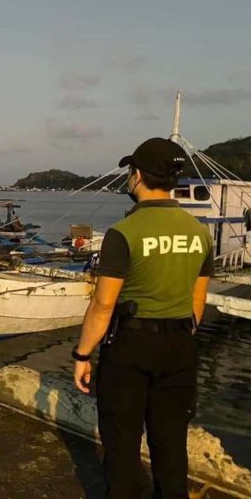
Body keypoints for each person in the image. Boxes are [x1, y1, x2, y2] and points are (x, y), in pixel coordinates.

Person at [72, 137, 213, 499]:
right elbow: (198, 300)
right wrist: (178, 336)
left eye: (130, 173)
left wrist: (83, 354)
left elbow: (103, 305)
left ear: (137, 176)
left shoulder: (124, 233)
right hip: (180, 345)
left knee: (122, 444)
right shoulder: (199, 233)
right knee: (170, 444)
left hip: (131, 347)